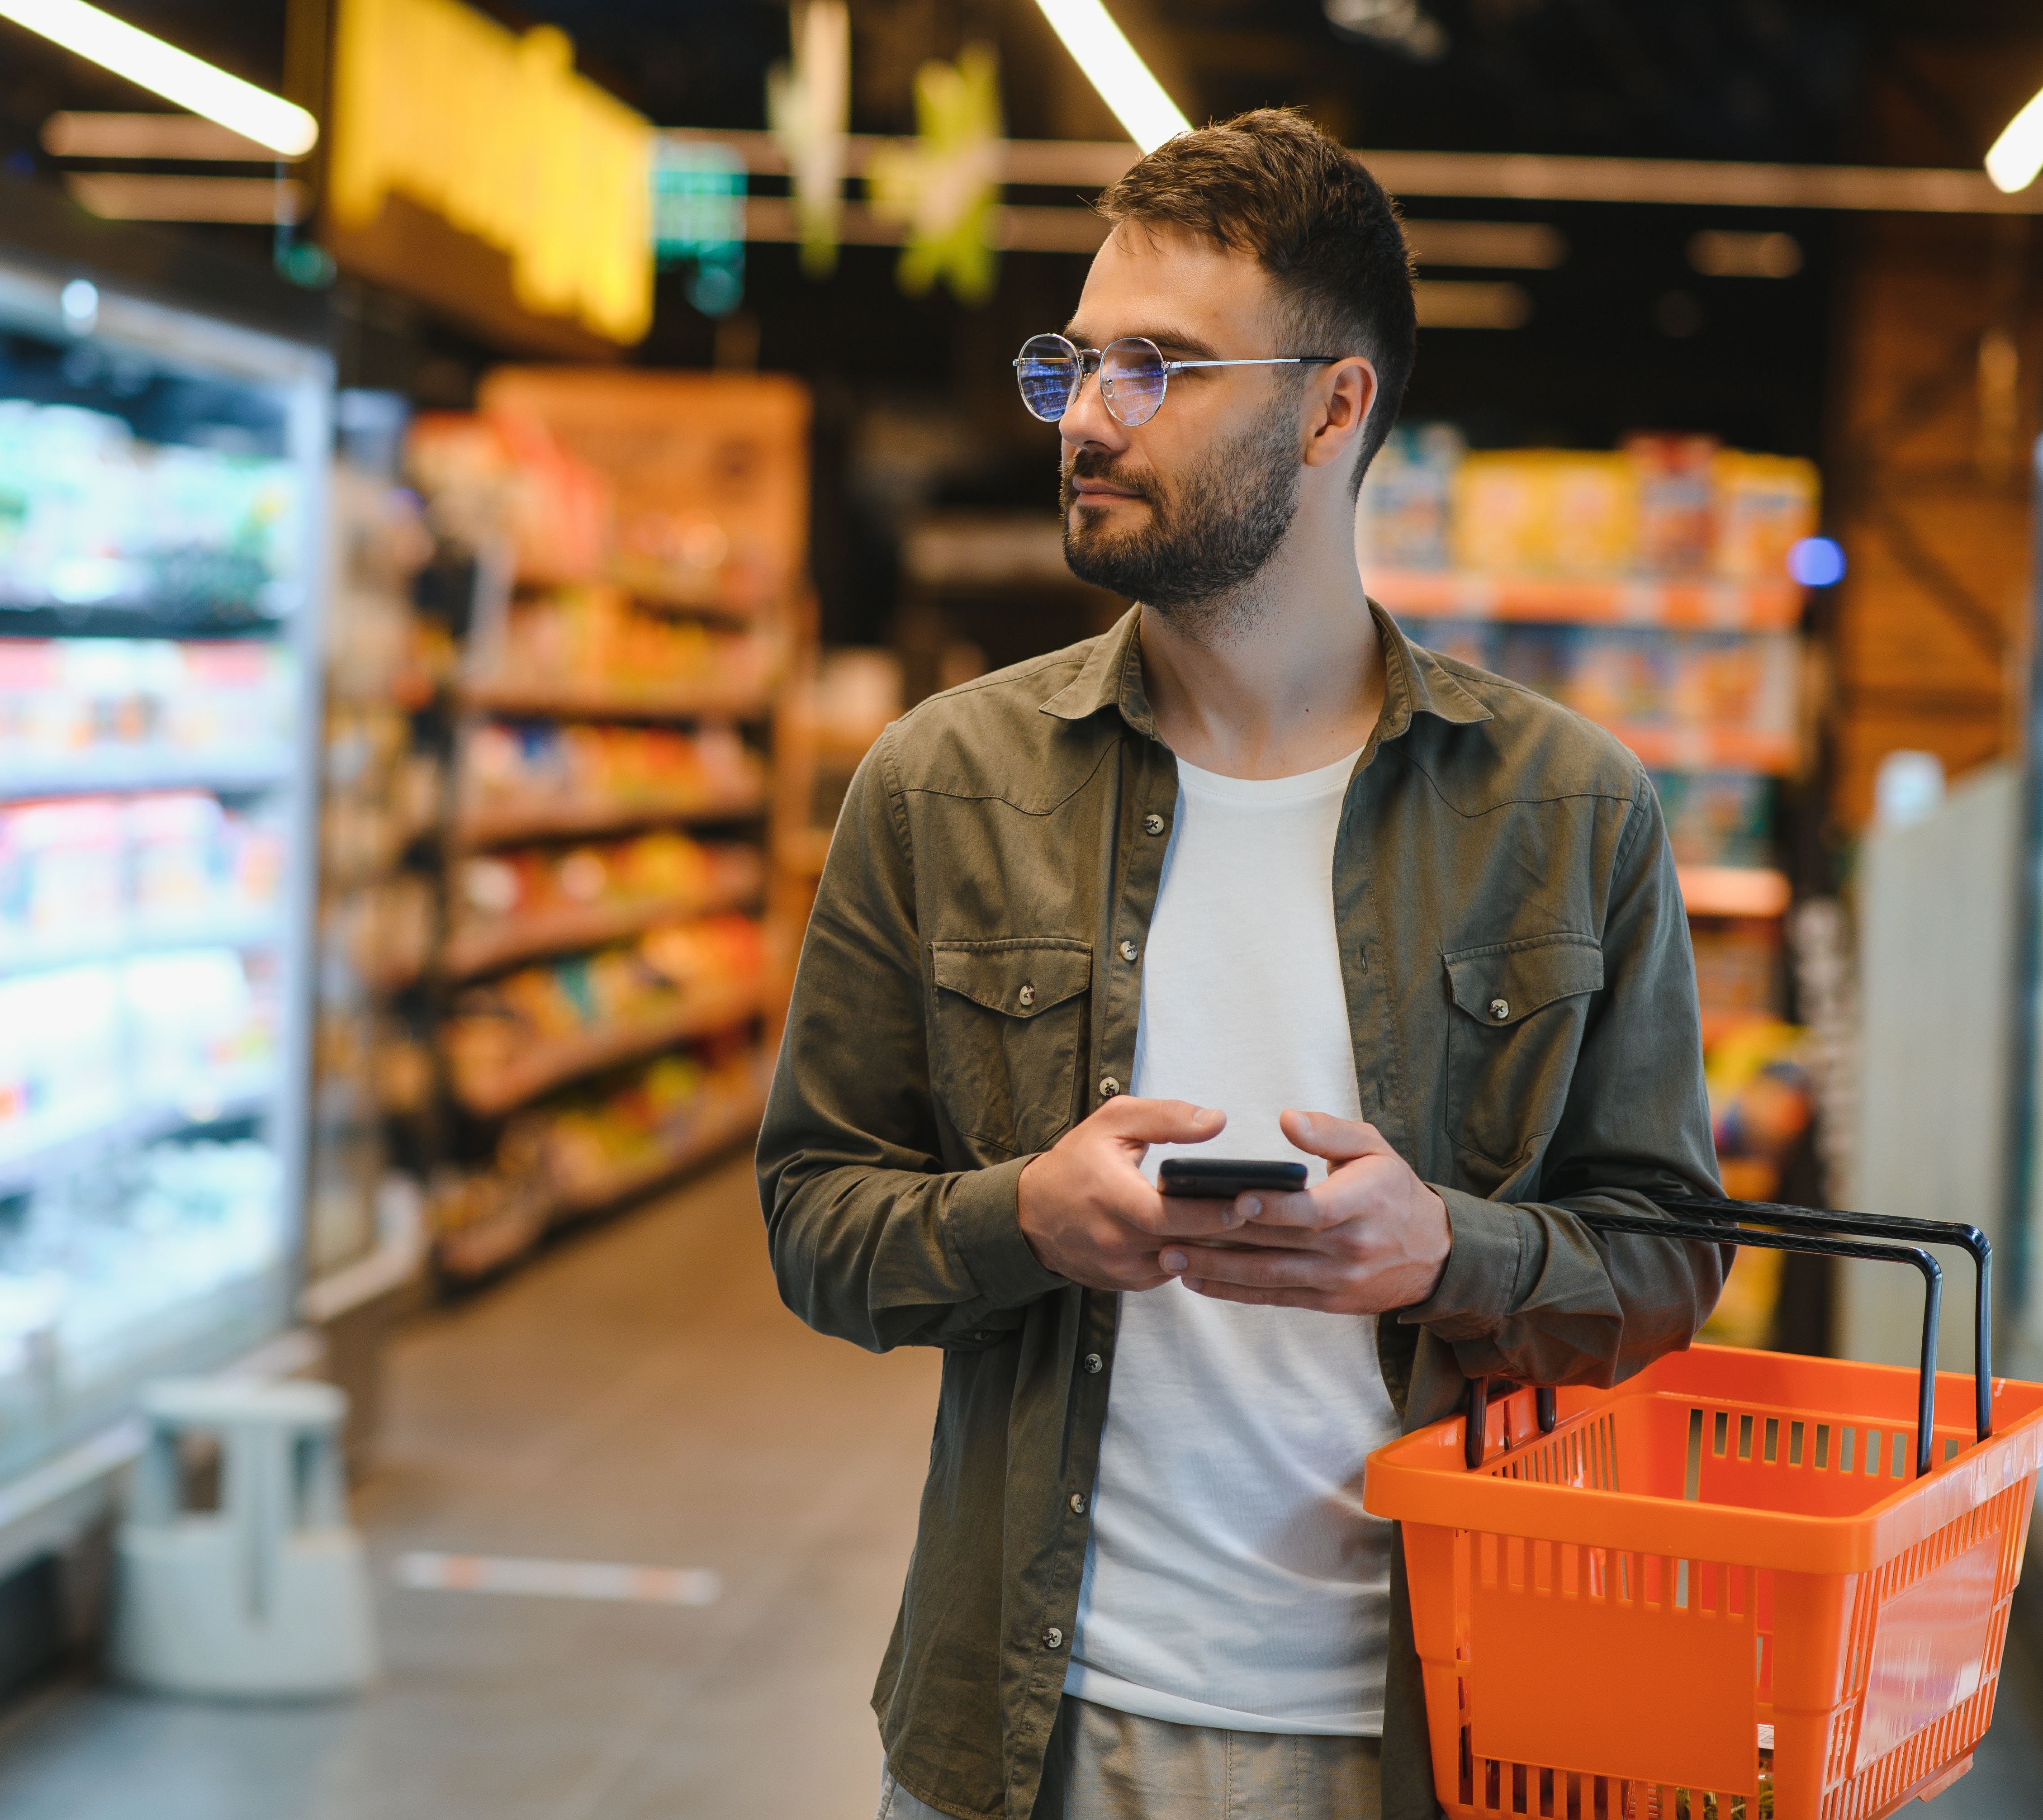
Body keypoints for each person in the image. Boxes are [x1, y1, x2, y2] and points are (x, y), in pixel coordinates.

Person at [756, 109, 1725, 1820]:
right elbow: (818, 1216)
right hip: (1026, 1733)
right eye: (1076, 361)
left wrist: (1447, 1251)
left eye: (1161, 365)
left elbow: (1665, 1257)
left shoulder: (1566, 807)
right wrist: (1021, 1221)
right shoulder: (942, 782)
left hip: (1435, 1730)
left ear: (1335, 407)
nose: (1092, 417)